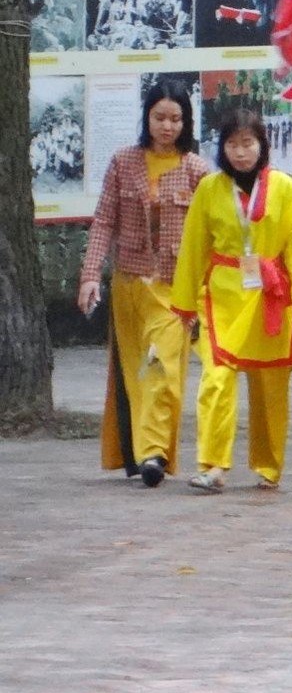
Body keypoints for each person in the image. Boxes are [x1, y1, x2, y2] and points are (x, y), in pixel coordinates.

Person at [172, 109, 292, 493]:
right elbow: (193, 247)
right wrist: (184, 305)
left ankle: (269, 465)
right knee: (217, 378)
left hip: (269, 296)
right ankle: (213, 465)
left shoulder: (285, 189)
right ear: (221, 148)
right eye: (232, 144)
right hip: (222, 295)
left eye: (247, 143)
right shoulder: (209, 188)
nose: (240, 152)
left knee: (270, 384)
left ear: (261, 146)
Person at [80, 80, 211, 486]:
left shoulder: (197, 170)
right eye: (160, 117)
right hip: (129, 284)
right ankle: (138, 453)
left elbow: (212, 234)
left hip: (175, 290)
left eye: (176, 118)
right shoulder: (124, 162)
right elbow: (104, 220)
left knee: (161, 365)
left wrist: (207, 293)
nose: (167, 126)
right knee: (132, 371)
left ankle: (154, 452)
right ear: (147, 118)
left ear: (186, 121)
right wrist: (89, 276)